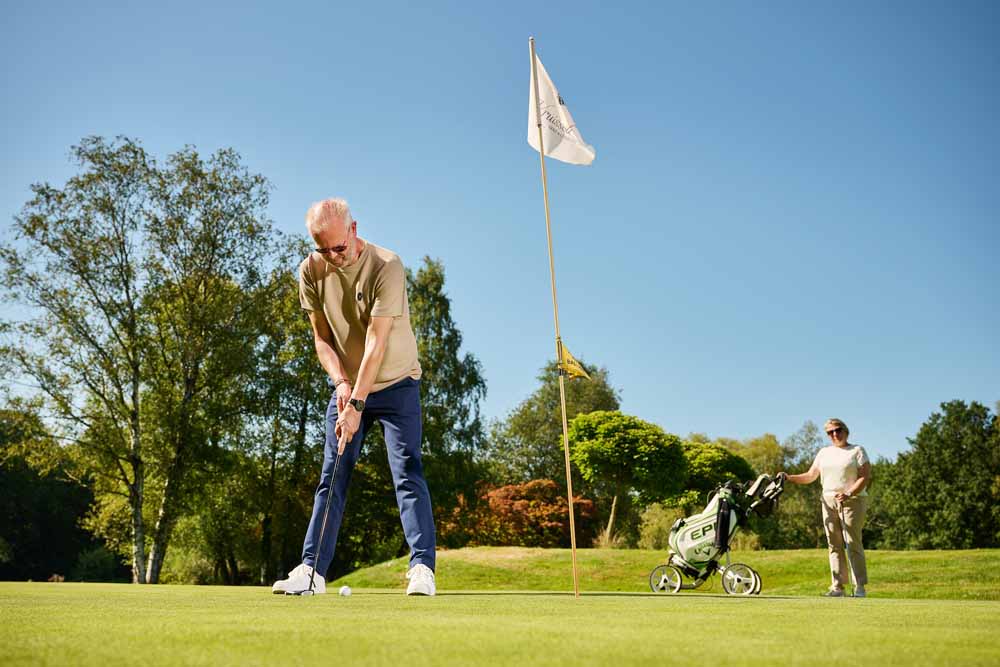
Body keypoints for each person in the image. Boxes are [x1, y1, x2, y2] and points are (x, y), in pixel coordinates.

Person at [271, 198, 436, 596]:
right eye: (322, 249)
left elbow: (377, 343)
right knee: (333, 473)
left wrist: (357, 405)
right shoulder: (311, 271)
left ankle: (422, 569)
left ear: (354, 230)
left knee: (407, 470)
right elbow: (322, 339)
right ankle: (311, 572)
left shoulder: (386, 266)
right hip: (349, 387)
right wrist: (342, 386)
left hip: (397, 384)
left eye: (338, 248)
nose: (332, 257)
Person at [783, 418, 870, 597]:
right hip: (828, 500)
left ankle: (860, 586)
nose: (835, 434)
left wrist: (849, 493)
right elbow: (810, 475)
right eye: (830, 432)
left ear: (846, 431)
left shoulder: (857, 450)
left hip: (852, 501)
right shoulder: (824, 453)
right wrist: (789, 477)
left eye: (838, 430)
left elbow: (864, 477)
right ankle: (838, 586)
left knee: (853, 543)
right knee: (834, 544)